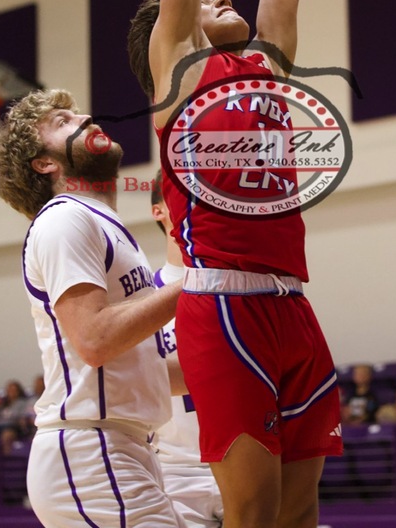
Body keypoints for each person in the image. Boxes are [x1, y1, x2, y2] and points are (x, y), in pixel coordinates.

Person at [127, 0, 342, 528]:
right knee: (250, 512)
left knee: (300, 510)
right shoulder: (178, 68)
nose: (222, 0)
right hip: (219, 306)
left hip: (292, 304)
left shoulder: (267, 65)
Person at [0, 88, 186, 528]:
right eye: (62, 121)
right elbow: (95, 340)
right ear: (45, 163)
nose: (85, 117)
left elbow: (142, 368)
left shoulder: (104, 224)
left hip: (124, 448)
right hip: (91, 450)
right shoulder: (64, 218)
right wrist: (205, 281)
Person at [151, 168, 224, 528]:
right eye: (178, 195)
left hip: (242, 455)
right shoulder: (139, 298)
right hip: (173, 468)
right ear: (158, 210)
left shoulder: (236, 284)